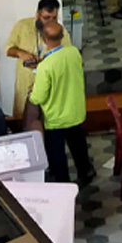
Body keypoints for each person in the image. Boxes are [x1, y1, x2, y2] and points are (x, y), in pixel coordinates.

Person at [28, 21, 91, 184]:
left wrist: (33, 91)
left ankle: (63, 183)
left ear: (43, 39)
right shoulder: (74, 53)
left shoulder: (45, 66)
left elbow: (39, 98)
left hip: (56, 119)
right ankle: (86, 174)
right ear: (62, 36)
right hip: (75, 112)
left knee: (57, 155)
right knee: (79, 148)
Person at [5, 0, 72, 117]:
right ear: (37, 15)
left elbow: (67, 60)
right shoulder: (22, 26)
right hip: (25, 84)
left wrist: (42, 64)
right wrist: (21, 53)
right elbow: (8, 49)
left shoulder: (61, 32)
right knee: (24, 119)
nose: (50, 22)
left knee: (47, 121)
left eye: (54, 18)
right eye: (46, 18)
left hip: (49, 87)